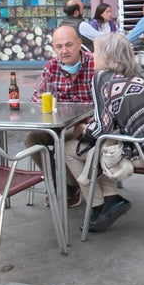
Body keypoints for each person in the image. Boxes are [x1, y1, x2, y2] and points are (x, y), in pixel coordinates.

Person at [64, 33, 144, 232]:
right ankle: (110, 199)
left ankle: (97, 206)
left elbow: (102, 130)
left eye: (96, 51)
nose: (93, 55)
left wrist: (81, 129)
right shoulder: (136, 75)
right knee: (95, 148)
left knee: (70, 149)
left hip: (141, 152)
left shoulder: (104, 79)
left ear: (107, 55)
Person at [27, 25, 95, 208]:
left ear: (79, 44)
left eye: (69, 45)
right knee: (32, 140)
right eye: (59, 47)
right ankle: (60, 182)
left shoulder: (95, 64)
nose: (64, 51)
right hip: (59, 124)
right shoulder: (51, 67)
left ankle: (71, 186)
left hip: (89, 124)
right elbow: (35, 99)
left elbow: (107, 99)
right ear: (54, 47)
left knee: (69, 138)